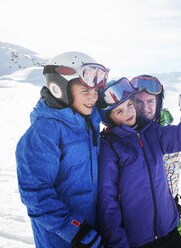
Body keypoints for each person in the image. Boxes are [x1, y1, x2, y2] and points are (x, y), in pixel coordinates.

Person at [97, 77, 181, 248]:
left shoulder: (152, 132)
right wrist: (117, 242)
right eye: (119, 112)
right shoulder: (110, 147)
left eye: (129, 105)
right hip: (139, 239)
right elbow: (107, 201)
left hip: (169, 229)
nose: (128, 113)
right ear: (109, 118)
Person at [16, 51, 107, 248]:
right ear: (59, 89)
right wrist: (76, 231)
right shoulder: (43, 132)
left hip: (94, 232)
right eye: (85, 90)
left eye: (96, 90)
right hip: (64, 239)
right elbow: (35, 192)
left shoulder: (89, 121)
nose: (93, 97)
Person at [130, 75, 181, 244]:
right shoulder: (125, 132)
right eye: (139, 102)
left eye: (150, 101)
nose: (145, 108)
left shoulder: (167, 128)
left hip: (171, 211)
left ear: (158, 103)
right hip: (140, 218)